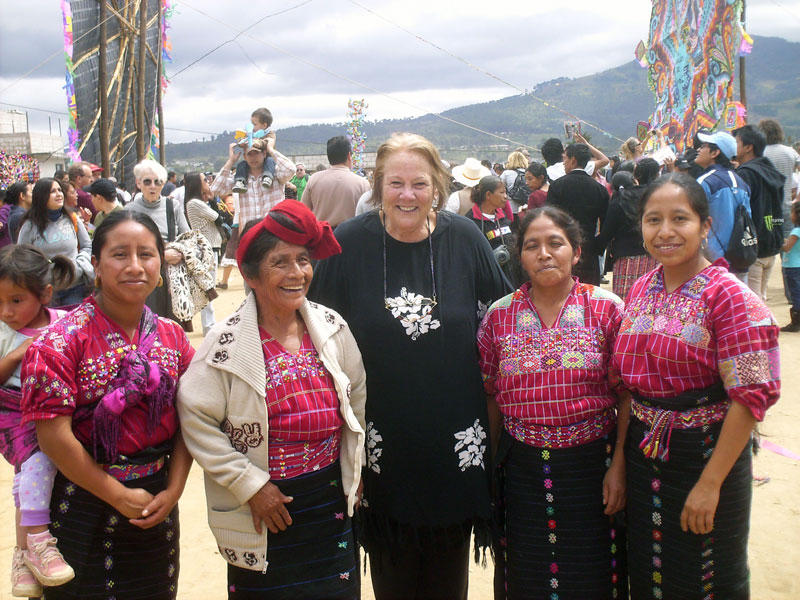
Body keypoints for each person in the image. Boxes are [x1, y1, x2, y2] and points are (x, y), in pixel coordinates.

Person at [308, 133, 510, 600]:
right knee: (392, 567)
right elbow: (313, 328)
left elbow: (505, 316)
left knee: (448, 572)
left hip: (456, 435)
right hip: (380, 434)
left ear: (437, 186)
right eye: (395, 183)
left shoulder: (464, 238)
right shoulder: (348, 243)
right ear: (377, 186)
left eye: (419, 183)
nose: (407, 195)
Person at [178, 200, 366, 599]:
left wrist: (355, 465)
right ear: (250, 275)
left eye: (303, 260)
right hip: (263, 505)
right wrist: (249, 485)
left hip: (329, 498)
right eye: (280, 263)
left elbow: (356, 396)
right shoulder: (224, 345)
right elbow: (196, 417)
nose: (297, 273)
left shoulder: (332, 328)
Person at [614, 173, 780, 599]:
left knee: (706, 576)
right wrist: (620, 463)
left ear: (705, 226)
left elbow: (750, 397)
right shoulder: (641, 288)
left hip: (706, 457)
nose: (665, 232)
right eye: (653, 220)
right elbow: (629, 389)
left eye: (680, 219)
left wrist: (710, 484)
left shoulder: (731, 298)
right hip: (644, 456)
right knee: (650, 574)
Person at [21, 211, 196, 599]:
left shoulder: (174, 337)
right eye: (120, 254)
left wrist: (174, 489)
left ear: (161, 263)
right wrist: (118, 496)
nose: (135, 266)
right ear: (96, 266)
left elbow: (192, 420)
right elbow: (53, 438)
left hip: (157, 505)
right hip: (83, 504)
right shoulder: (58, 343)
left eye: (146, 254)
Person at [478, 206, 629, 599]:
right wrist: (491, 470)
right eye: (532, 246)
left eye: (555, 243)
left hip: (594, 466)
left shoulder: (607, 308)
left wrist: (619, 465)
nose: (544, 254)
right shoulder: (499, 316)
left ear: (576, 252)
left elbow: (626, 394)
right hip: (521, 468)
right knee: (527, 573)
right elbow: (491, 394)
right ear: (520, 256)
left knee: (594, 571)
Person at [0, 246, 75, 597]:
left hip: (57, 408)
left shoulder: (64, 322)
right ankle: (38, 540)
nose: (6, 311)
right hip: (15, 413)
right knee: (37, 462)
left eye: (16, 301)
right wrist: (19, 352)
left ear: (45, 294)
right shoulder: (3, 331)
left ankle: (22, 556)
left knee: (29, 477)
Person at [211, 138, 295, 277]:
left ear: (264, 154)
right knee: (252, 280)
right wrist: (231, 161)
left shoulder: (275, 175)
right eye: (249, 154)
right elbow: (216, 188)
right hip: (251, 238)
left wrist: (271, 149)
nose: (253, 157)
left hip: (274, 236)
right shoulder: (239, 180)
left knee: (276, 277)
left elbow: (290, 169)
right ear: (245, 157)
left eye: (256, 153)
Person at [124, 160, 189, 319]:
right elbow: (125, 246)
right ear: (138, 183)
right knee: (147, 322)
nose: (152, 186)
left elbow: (187, 238)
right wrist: (161, 255)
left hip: (171, 276)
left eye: (158, 182)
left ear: (163, 184)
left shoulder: (172, 206)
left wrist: (177, 252)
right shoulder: (129, 210)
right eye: (147, 181)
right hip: (142, 276)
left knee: (172, 324)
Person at [17, 178, 93, 307]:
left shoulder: (72, 219)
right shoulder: (29, 226)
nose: (58, 194)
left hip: (75, 286)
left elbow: (87, 245)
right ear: (41, 196)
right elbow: (22, 257)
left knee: (73, 320)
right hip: (46, 291)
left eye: (59, 190)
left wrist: (80, 264)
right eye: (53, 191)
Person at [594, 158, 660, 300]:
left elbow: (607, 232)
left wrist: (596, 247)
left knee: (626, 301)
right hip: (654, 255)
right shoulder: (658, 196)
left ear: (636, 175)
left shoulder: (621, 198)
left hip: (625, 259)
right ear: (657, 174)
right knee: (650, 299)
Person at [734, 125, 786, 302]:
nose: (734, 146)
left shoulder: (746, 174)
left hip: (753, 247)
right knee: (760, 299)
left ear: (748, 147)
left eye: (737, 142)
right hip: (771, 243)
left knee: (752, 305)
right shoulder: (770, 170)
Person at [546, 143, 610, 285]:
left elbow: (549, 219)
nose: (563, 163)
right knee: (589, 291)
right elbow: (607, 224)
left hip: (561, 247)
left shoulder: (557, 185)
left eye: (565, 159)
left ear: (573, 160)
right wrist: (598, 246)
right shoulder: (599, 189)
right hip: (589, 249)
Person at [694, 131, 752, 280]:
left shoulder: (705, 182)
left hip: (711, 262)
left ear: (715, 153)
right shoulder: (741, 182)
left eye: (704, 146)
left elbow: (693, 219)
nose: (699, 149)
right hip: (740, 258)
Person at [183, 172, 224, 335]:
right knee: (208, 288)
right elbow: (219, 218)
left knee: (208, 287)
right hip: (206, 249)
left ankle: (209, 324)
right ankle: (209, 325)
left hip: (209, 247)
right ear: (197, 183)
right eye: (204, 180)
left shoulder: (197, 202)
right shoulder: (195, 203)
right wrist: (212, 199)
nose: (208, 182)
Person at [301, 136, 371, 227]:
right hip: (351, 234)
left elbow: (303, 211)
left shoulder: (313, 179)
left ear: (328, 156)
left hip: (321, 233)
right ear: (349, 156)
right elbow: (368, 216)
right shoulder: (362, 183)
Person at [466, 176, 519, 287]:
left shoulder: (502, 216)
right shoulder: (471, 221)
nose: (506, 196)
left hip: (511, 276)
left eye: (505, 192)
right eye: (501, 193)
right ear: (488, 195)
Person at [759, 118, 800, 237]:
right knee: (787, 240)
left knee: (768, 240)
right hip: (786, 206)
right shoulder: (790, 152)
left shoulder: (760, 153)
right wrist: (798, 198)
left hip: (766, 209)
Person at [233, 107, 278, 193]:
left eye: (254, 124)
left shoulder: (270, 133)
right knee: (242, 164)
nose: (252, 127)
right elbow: (243, 138)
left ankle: (267, 177)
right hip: (255, 160)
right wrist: (241, 143)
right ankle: (240, 181)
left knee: (270, 161)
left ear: (264, 125)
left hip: (267, 158)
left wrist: (259, 143)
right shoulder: (251, 133)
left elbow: (268, 142)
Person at [780, 202, 800, 332]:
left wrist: (779, 242)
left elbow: (787, 248)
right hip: (798, 264)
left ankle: (796, 322)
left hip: (792, 266)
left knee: (795, 293)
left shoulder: (796, 231)